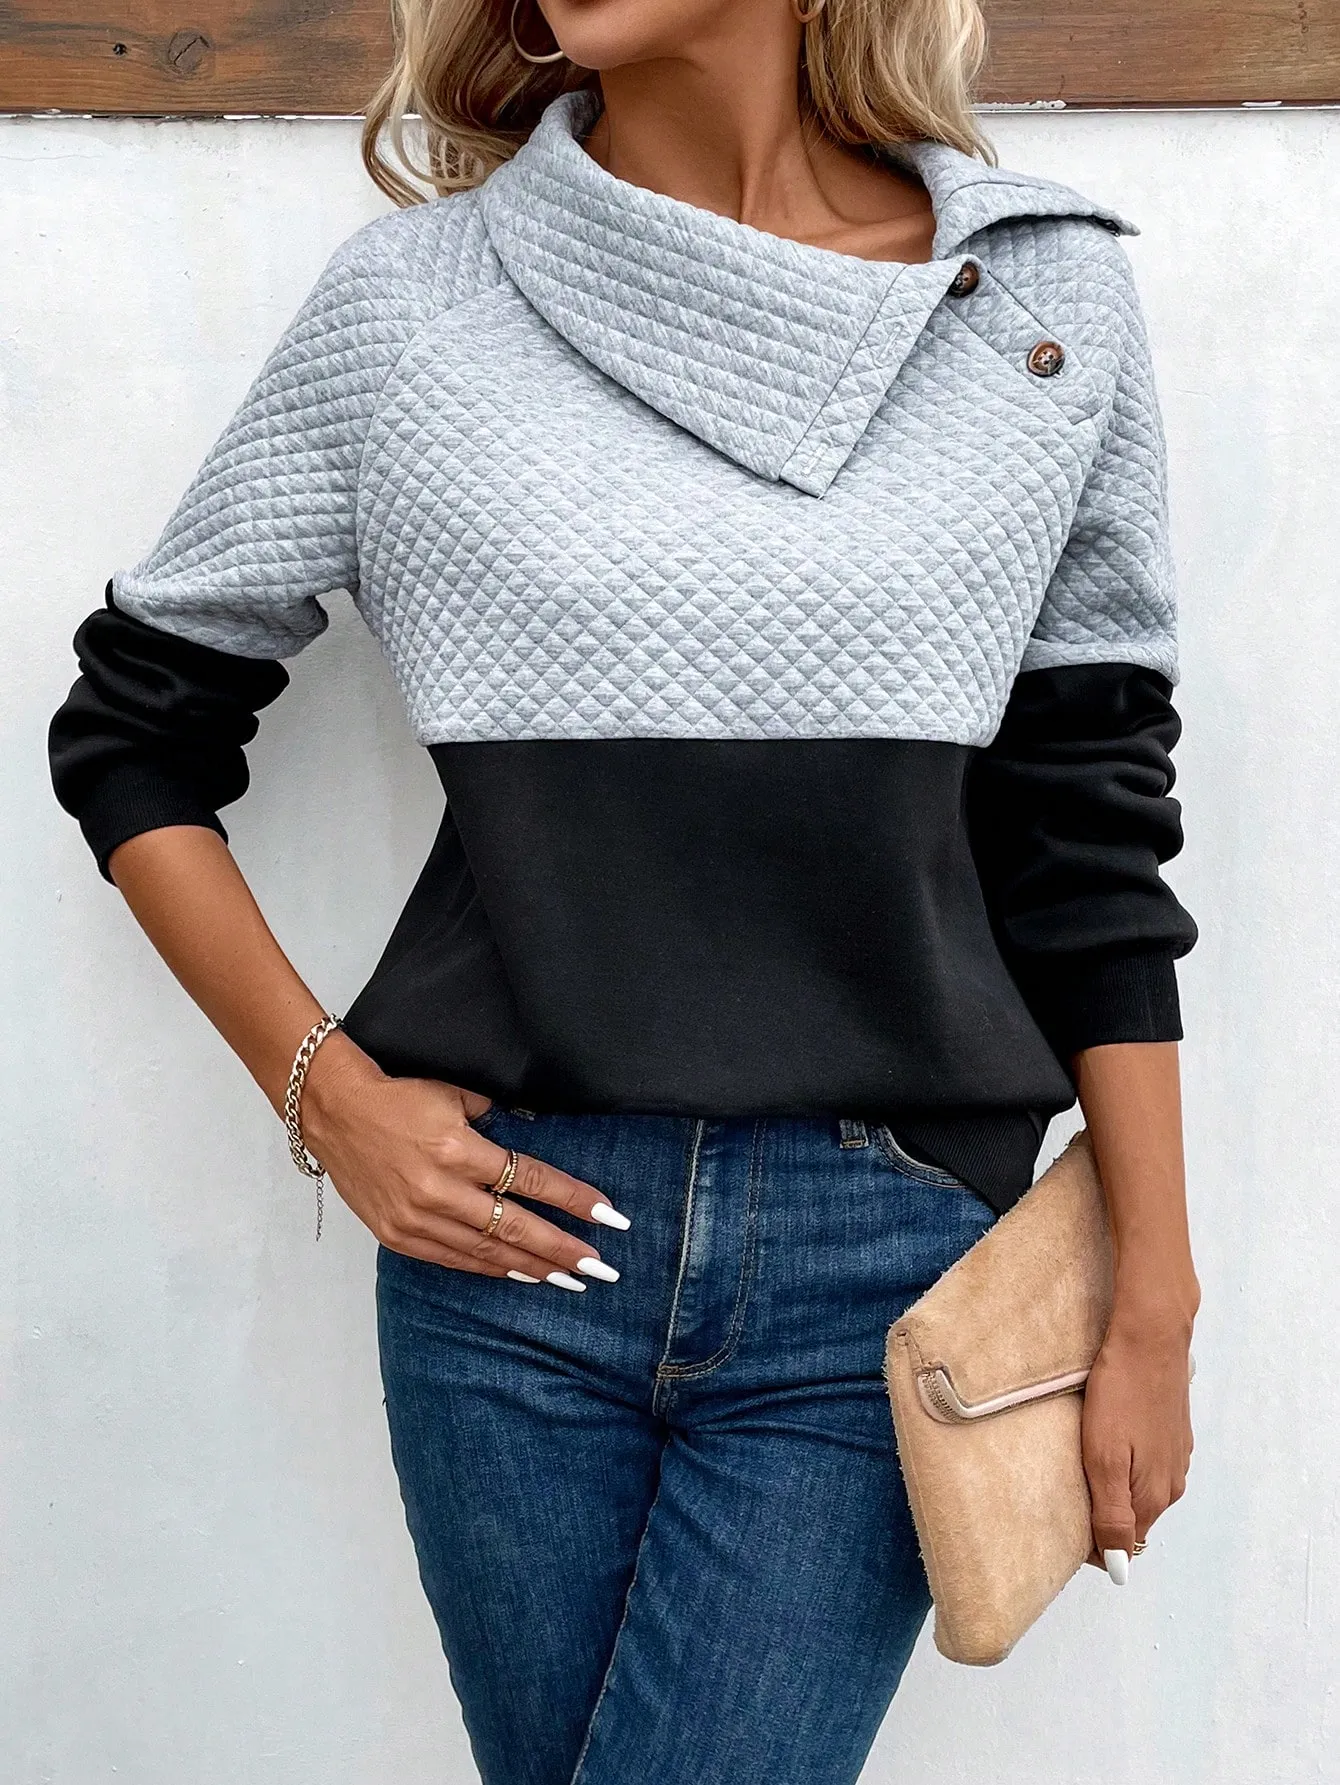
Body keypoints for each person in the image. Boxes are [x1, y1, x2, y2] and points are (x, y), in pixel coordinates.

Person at [48, 1, 1201, 1780]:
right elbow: (134, 731)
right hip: (508, 1248)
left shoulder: (1040, 305)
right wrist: (324, 1092)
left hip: (882, 1263)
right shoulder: (411, 306)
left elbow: (1089, 827)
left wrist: (1153, 1298)